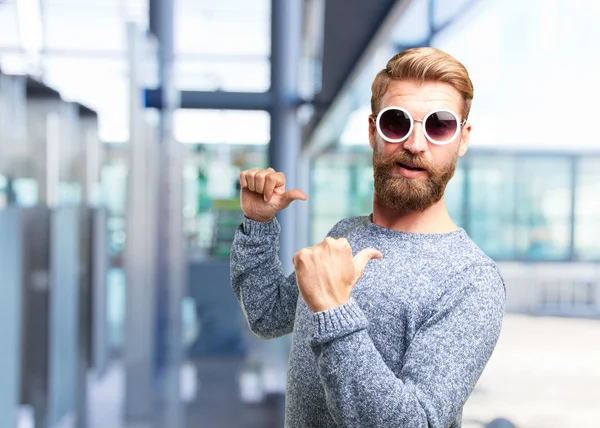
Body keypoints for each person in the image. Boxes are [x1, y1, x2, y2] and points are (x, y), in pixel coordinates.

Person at [230, 47, 505, 428]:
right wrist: (258, 224)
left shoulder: (471, 280)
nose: (415, 144)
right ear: (373, 130)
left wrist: (334, 310)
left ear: (462, 139)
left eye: (439, 125)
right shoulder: (346, 233)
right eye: (398, 122)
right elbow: (266, 315)